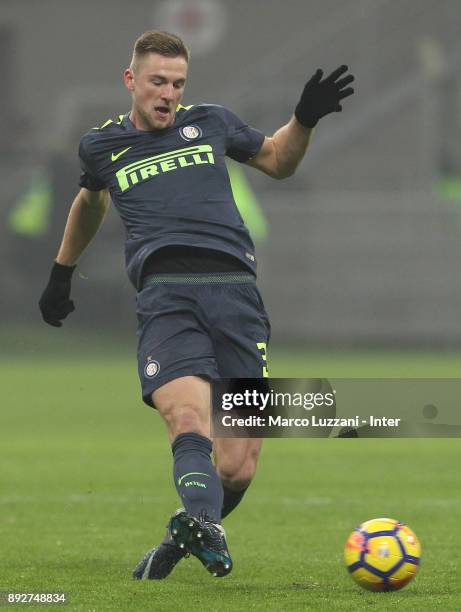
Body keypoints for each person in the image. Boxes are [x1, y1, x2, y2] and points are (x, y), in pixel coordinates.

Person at [38, 30, 354, 579]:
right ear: (131, 80)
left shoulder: (211, 122)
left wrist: (303, 119)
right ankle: (205, 526)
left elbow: (279, 160)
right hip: (166, 295)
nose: (168, 94)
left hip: (236, 294)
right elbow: (91, 200)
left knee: (237, 465)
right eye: (158, 81)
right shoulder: (103, 145)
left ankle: (185, 533)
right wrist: (62, 271)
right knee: (185, 416)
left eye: (178, 83)